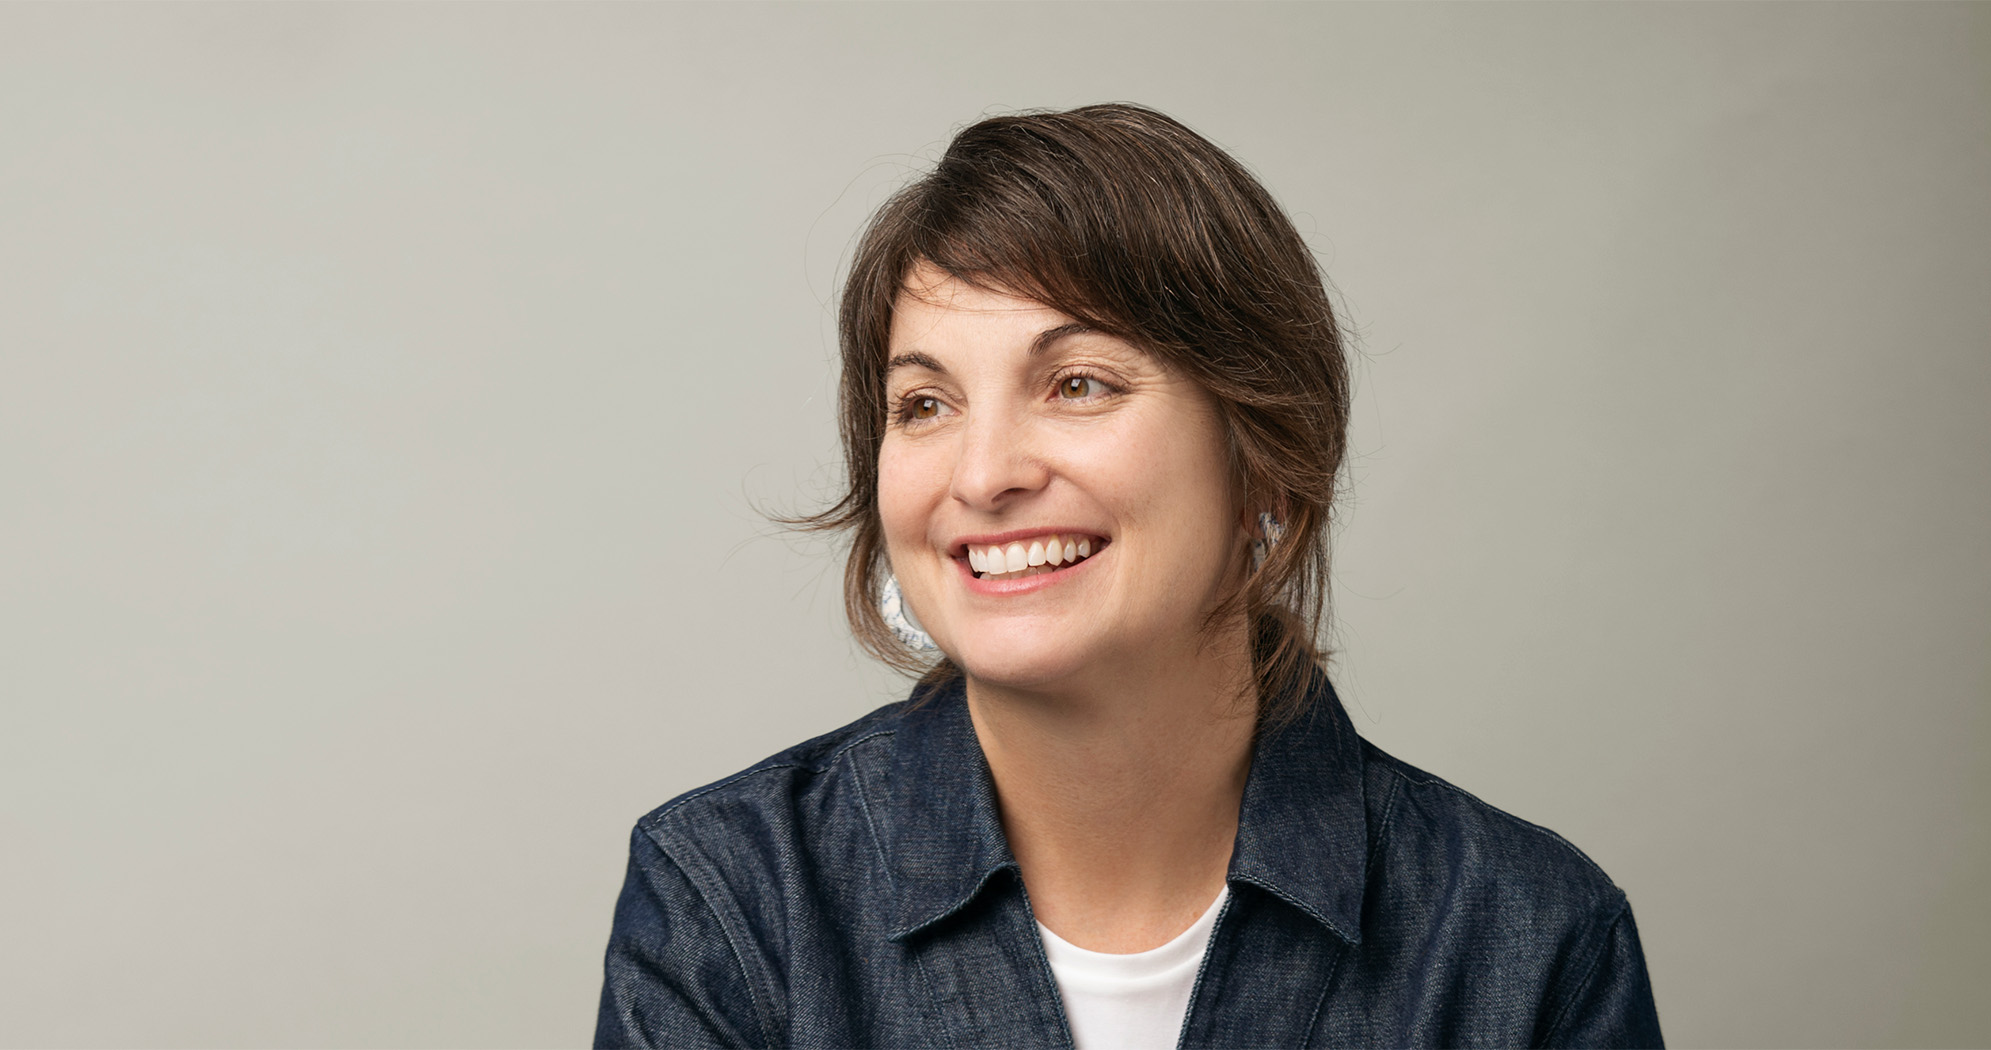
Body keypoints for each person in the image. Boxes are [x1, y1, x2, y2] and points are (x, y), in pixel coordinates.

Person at [594, 103, 1663, 1049]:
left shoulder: (1532, 940)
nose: (984, 475)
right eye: (924, 405)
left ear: (1263, 455)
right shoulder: (729, 901)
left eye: (1079, 383)